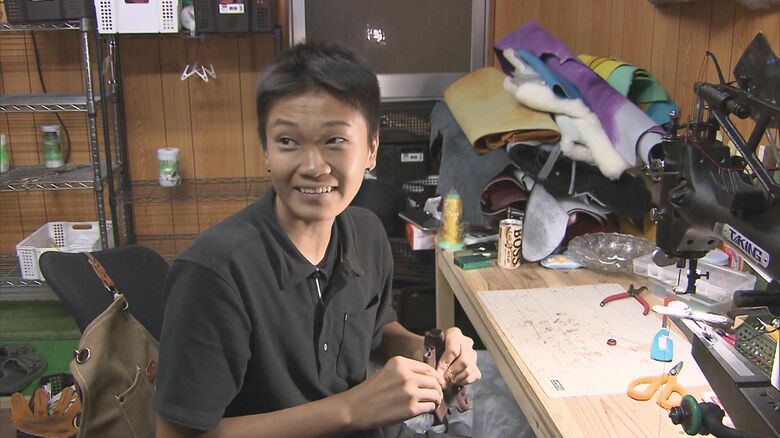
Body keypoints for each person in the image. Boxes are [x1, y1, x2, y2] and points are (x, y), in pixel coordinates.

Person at [153, 42, 481, 437]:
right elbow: (175, 434)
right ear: (266, 151)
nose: (313, 166)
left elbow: (378, 332)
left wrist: (427, 350)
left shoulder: (368, 234)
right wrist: (350, 409)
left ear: (371, 149)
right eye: (287, 142)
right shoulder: (215, 273)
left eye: (335, 140)